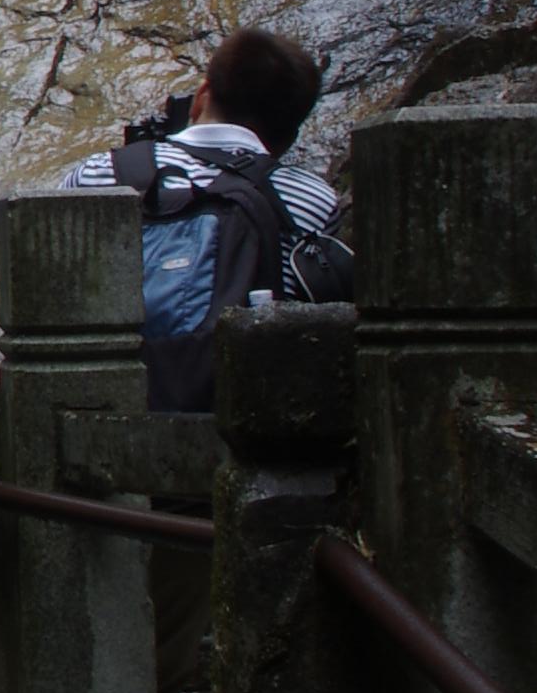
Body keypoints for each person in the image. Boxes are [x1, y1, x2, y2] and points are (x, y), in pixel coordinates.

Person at [61, 24, 352, 413]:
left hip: (113, 407)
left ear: (201, 95)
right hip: (250, 413)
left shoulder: (101, 175)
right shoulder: (310, 199)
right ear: (292, 135)